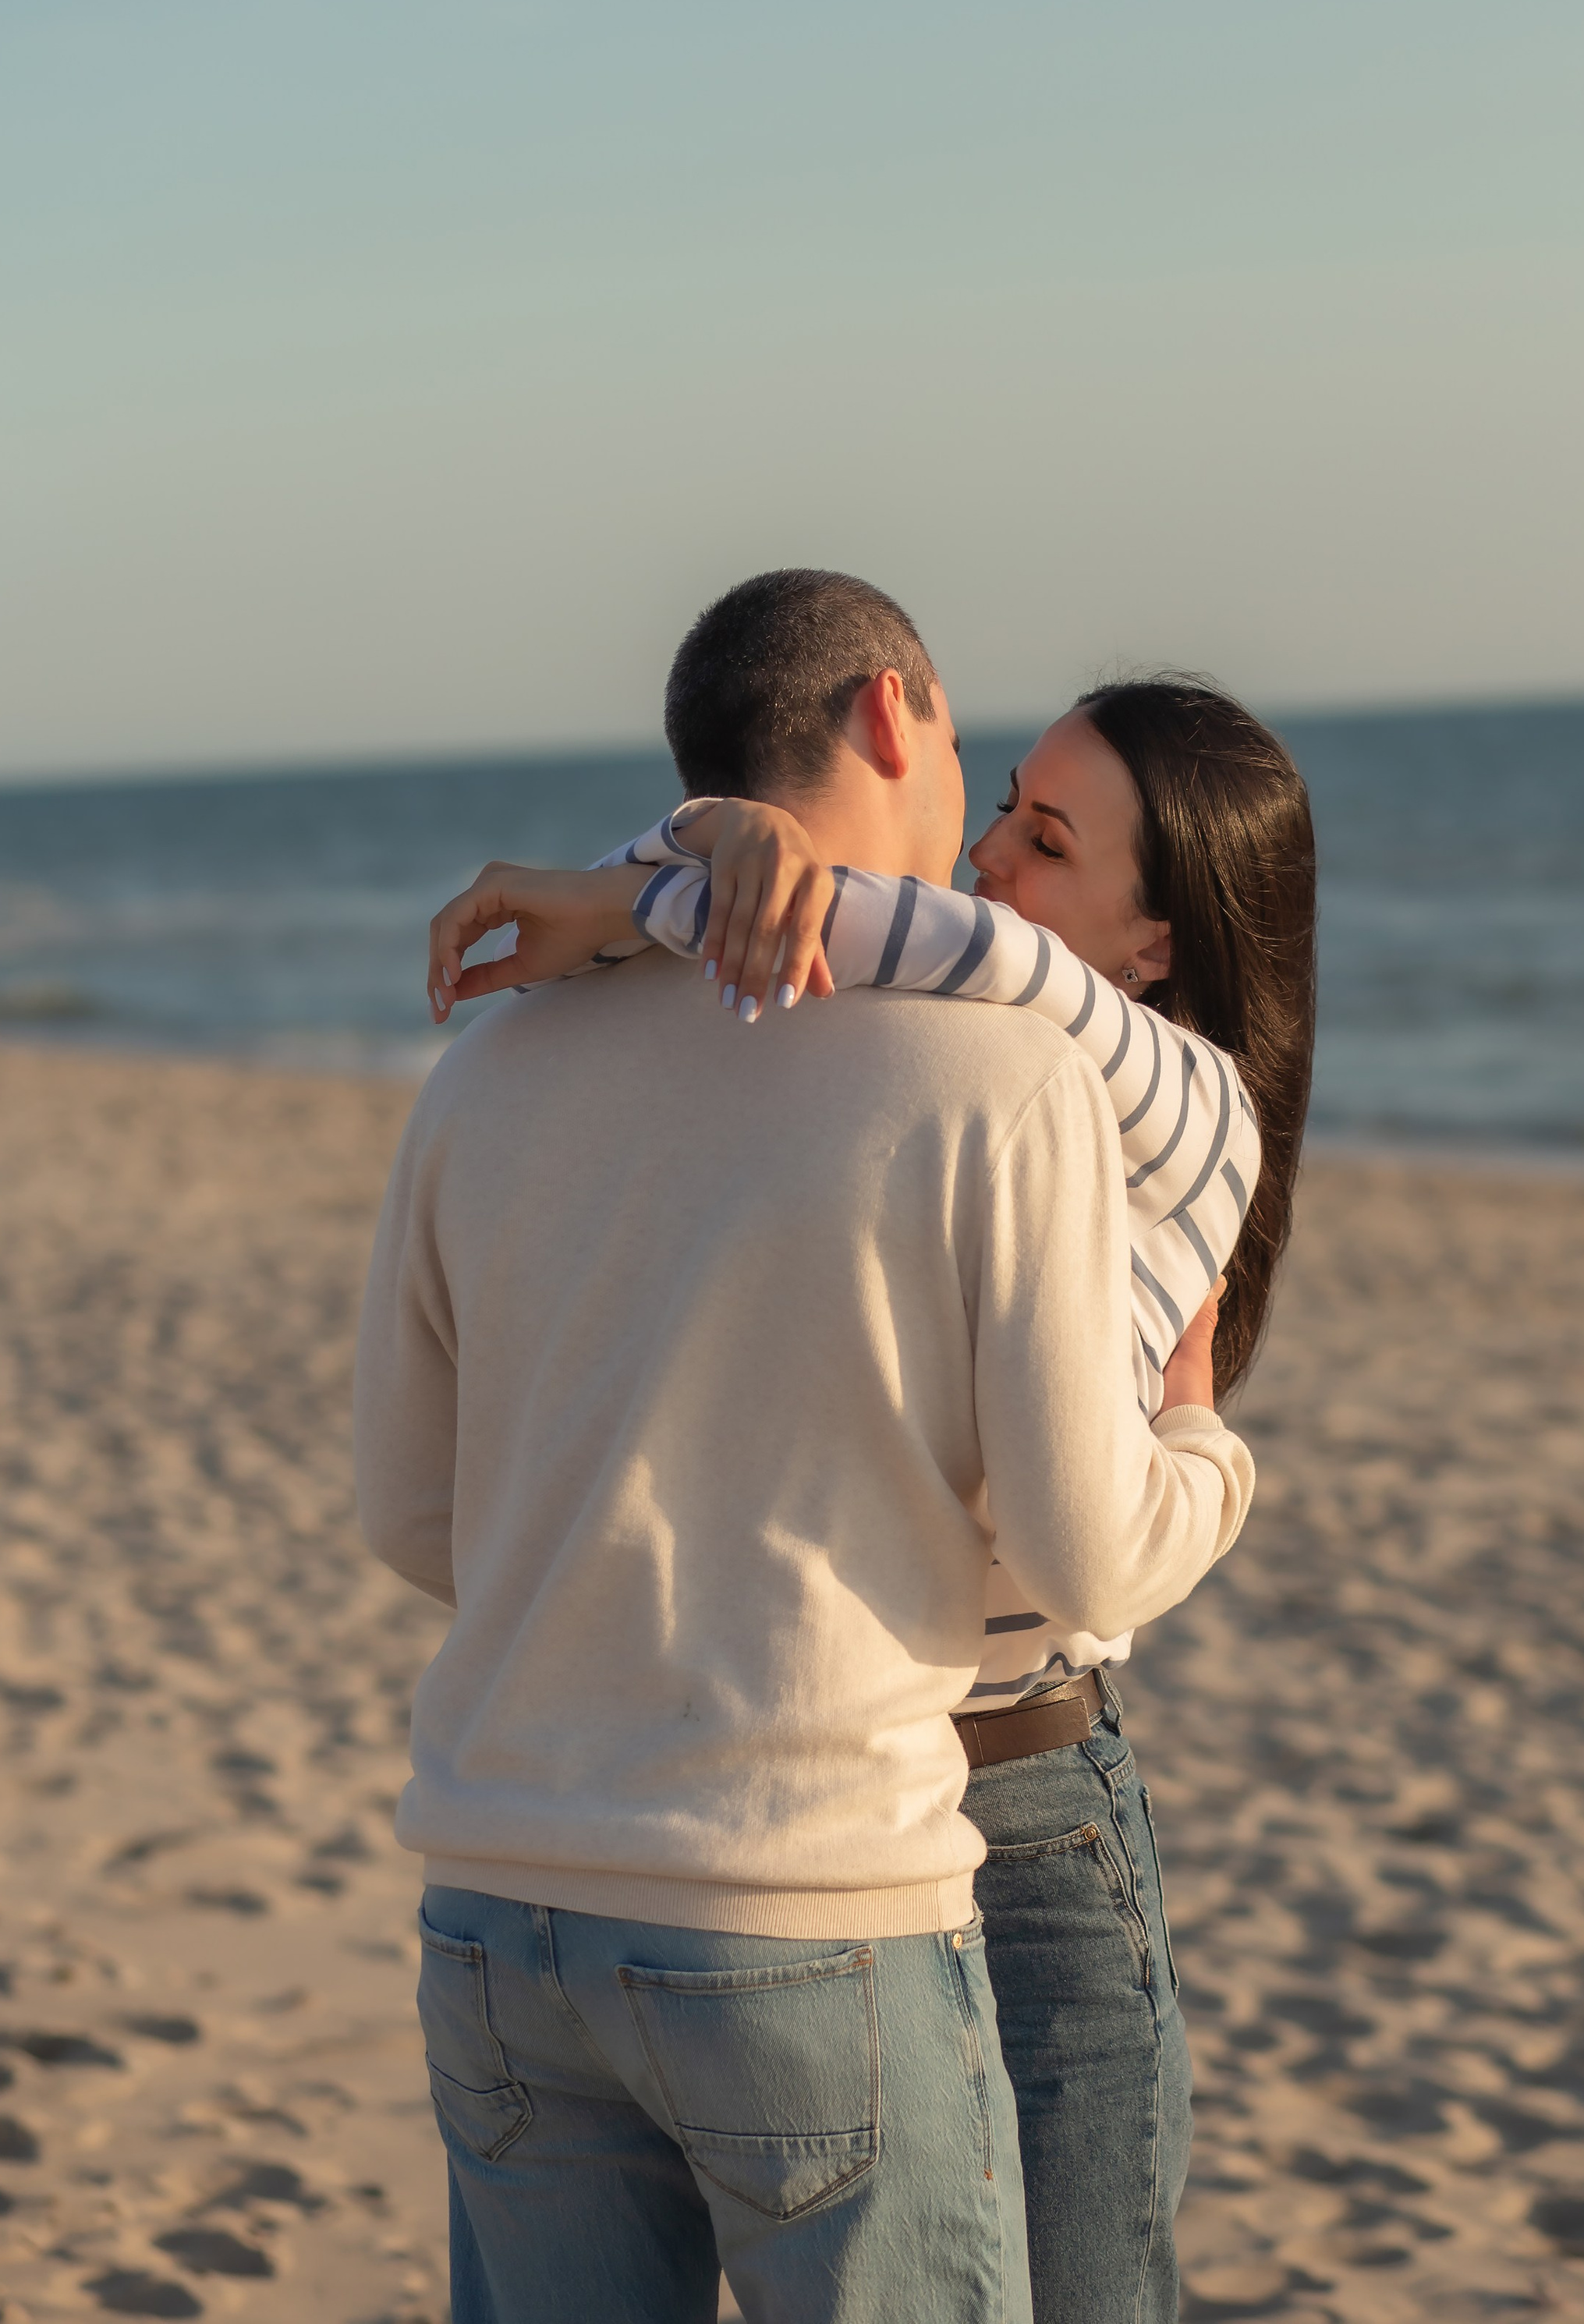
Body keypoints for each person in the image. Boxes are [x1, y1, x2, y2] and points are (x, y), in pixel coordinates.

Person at [357, 569, 1259, 2324]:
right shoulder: (1003, 1078)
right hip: (808, 1892)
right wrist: (1208, 1444)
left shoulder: (480, 1075)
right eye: (975, 771)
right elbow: (1089, 1552)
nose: (981, 832)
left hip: (499, 1898)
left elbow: (412, 1515)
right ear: (889, 709)